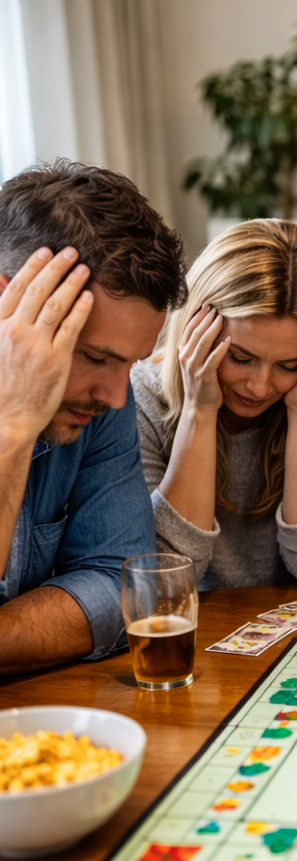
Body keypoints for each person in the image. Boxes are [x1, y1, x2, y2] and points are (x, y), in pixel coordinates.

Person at [0, 161, 186, 670]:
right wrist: (13, 428)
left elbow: (116, 583)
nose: (117, 396)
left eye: (129, 363)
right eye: (96, 356)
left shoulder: (97, 401)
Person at [131, 219, 297, 590]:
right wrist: (199, 410)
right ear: (196, 332)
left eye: (289, 366)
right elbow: (163, 579)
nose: (259, 387)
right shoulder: (139, 396)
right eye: (241, 359)